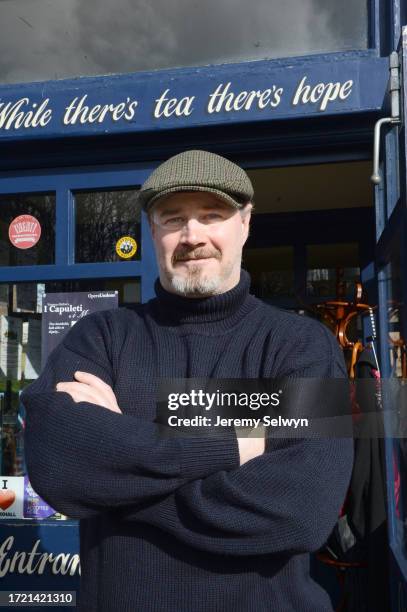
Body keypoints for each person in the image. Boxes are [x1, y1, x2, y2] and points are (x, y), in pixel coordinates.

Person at [22, 149, 353, 612]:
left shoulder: (300, 346)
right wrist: (233, 447)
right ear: (153, 230)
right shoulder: (101, 337)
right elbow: (58, 465)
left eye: (212, 215)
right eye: (173, 218)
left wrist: (117, 478)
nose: (192, 236)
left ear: (245, 223)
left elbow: (302, 511)